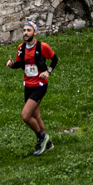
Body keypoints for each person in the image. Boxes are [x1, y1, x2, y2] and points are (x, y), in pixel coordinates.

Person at [5, 19, 57, 155]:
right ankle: (47, 144)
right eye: (24, 30)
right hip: (28, 85)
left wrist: (48, 71)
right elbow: (21, 64)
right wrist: (12, 65)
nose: (26, 33)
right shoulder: (21, 48)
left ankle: (42, 137)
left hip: (40, 86)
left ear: (35, 32)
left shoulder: (42, 47)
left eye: (28, 30)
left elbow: (54, 59)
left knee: (25, 116)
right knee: (36, 116)